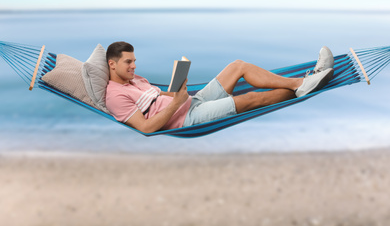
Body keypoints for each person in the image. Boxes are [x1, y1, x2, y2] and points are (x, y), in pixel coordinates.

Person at [105, 42, 334, 133]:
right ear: (112, 64)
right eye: (129, 62)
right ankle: (307, 83)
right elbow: (145, 128)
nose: (134, 65)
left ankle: (301, 83)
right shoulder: (114, 96)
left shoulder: (135, 80)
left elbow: (158, 97)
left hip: (192, 101)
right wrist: (176, 102)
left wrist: (176, 91)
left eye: (134, 61)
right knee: (249, 99)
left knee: (238, 66)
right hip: (187, 119)